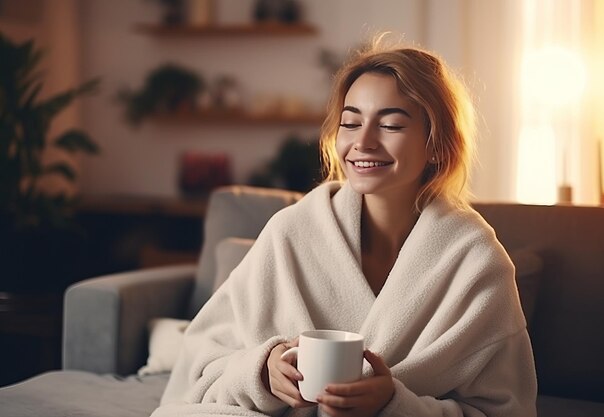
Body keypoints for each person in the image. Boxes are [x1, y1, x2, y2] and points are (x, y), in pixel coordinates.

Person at [152, 35, 537, 417]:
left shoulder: (475, 260)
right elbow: (202, 362)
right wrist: (262, 370)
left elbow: (505, 409)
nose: (363, 143)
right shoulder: (291, 231)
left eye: (391, 125)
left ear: (436, 143)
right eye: (351, 123)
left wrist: (394, 405)